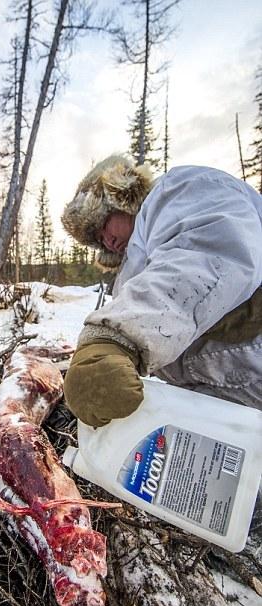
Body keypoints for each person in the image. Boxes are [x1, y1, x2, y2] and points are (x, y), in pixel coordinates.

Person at [61, 155, 262, 428]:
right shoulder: (134, 267)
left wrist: (116, 338)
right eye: (98, 239)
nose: (106, 240)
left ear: (120, 196)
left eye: (104, 223)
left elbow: (203, 258)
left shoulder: (178, 190)